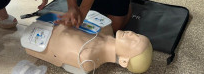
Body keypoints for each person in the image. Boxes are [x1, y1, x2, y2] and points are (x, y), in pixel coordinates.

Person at [25, 24, 153, 73]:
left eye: (133, 42)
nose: (132, 34)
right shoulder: (106, 26)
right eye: (137, 35)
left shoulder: (86, 59)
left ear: (124, 61)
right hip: (44, 24)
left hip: (35, 38)